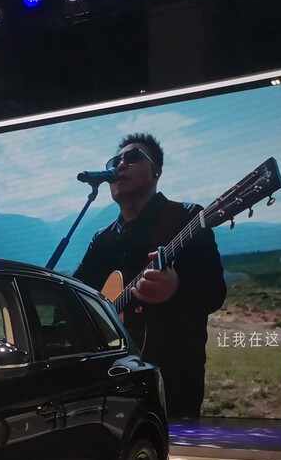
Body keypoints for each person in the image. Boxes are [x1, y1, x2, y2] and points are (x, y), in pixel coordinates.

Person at [73, 133, 226, 418]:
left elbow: (215, 294)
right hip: (110, 380)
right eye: (115, 161)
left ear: (156, 171)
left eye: (133, 157)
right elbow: (77, 296)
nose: (120, 165)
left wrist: (177, 288)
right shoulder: (103, 240)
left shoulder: (185, 218)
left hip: (172, 381)